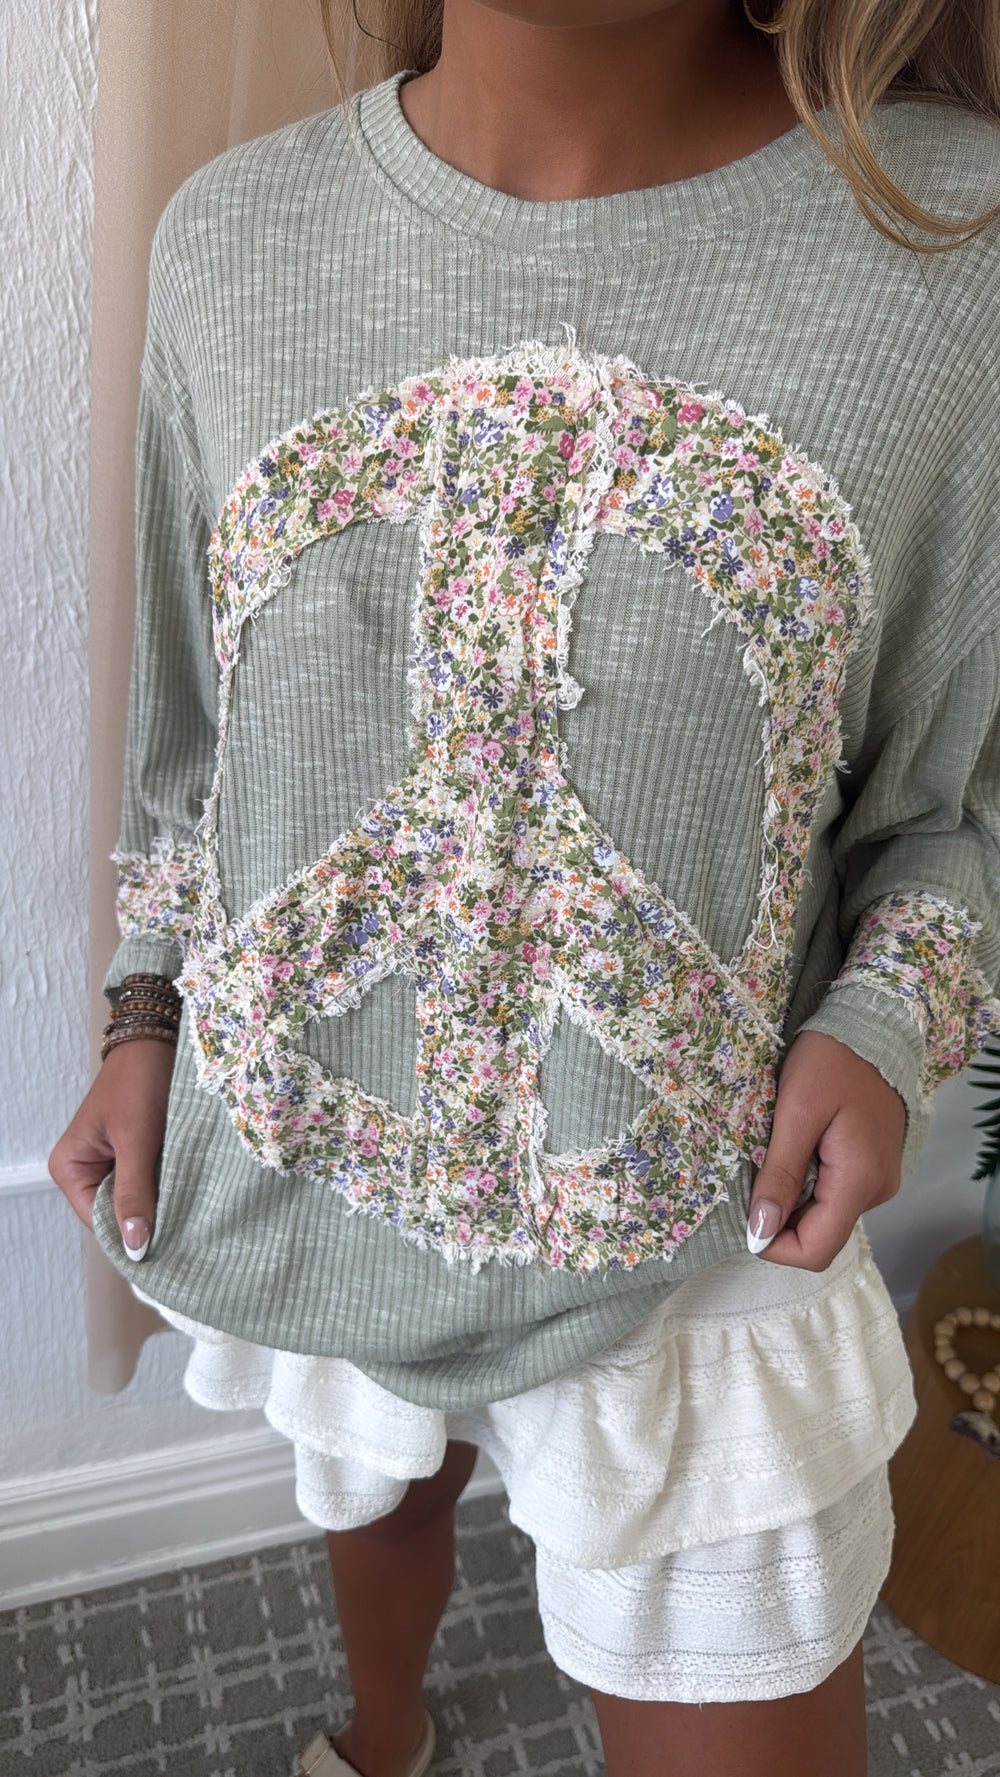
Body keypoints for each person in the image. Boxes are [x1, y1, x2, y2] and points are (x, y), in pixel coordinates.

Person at [50, 2, 1000, 1773]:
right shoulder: (234, 246)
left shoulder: (956, 255)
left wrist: (885, 1020)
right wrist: (144, 1010)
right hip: (312, 1167)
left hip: (721, 1221)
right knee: (373, 1483)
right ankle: (383, 1729)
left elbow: (964, 797)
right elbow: (197, 755)